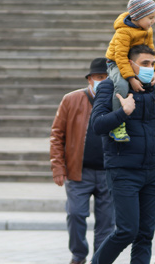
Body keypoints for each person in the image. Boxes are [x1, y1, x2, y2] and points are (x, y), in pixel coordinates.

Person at [90, 45, 155, 264]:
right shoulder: (110, 86)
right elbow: (97, 125)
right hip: (123, 171)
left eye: (152, 63)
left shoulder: (153, 88)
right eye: (145, 63)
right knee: (127, 231)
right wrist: (123, 112)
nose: (150, 68)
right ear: (130, 64)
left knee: (145, 234)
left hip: (150, 170)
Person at [50, 57, 115, 264]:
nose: (103, 81)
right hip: (79, 171)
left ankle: (99, 258)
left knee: (107, 222)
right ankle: (78, 255)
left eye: (107, 77)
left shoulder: (118, 99)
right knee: (75, 214)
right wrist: (58, 166)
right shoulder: (71, 99)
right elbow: (57, 134)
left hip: (109, 172)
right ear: (90, 79)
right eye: (98, 77)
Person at [105, 0, 155, 142]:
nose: (153, 21)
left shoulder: (148, 30)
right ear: (138, 16)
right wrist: (131, 79)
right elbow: (120, 57)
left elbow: (151, 51)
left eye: (154, 17)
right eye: (150, 17)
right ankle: (118, 125)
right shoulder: (123, 32)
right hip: (117, 63)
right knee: (121, 85)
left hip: (136, 63)